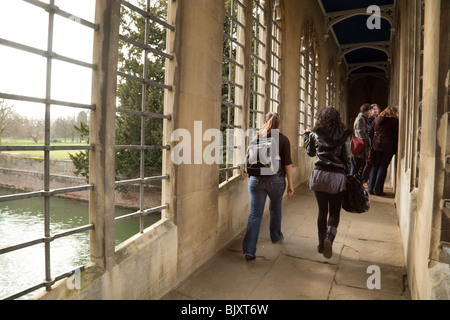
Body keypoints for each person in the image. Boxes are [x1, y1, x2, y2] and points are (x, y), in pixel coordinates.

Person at [243, 112, 294, 261]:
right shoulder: (283, 140)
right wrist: (290, 184)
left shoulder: (257, 137)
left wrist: (251, 179)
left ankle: (249, 250)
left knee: (255, 214)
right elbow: (287, 164)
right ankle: (276, 236)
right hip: (275, 181)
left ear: (265, 122)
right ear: (279, 124)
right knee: (275, 208)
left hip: (256, 180)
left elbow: (248, 160)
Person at [304, 107, 352, 259]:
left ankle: (320, 244)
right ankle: (328, 239)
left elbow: (310, 153)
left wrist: (306, 136)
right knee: (334, 212)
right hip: (336, 177)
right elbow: (347, 158)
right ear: (338, 119)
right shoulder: (344, 135)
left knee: (322, 211)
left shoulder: (315, 134)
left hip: (319, 175)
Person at [368, 106, 399, 196]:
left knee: (374, 166)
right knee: (383, 167)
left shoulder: (377, 119)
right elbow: (397, 135)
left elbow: (370, 132)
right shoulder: (394, 121)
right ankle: (378, 189)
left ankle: (370, 188)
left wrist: (370, 145)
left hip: (376, 146)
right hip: (388, 147)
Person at [353, 103, 373, 178]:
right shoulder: (360, 118)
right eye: (370, 111)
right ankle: (355, 185)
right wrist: (367, 142)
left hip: (362, 146)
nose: (370, 113)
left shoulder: (363, 118)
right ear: (366, 111)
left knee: (359, 166)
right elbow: (360, 132)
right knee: (358, 166)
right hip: (360, 146)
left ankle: (357, 184)